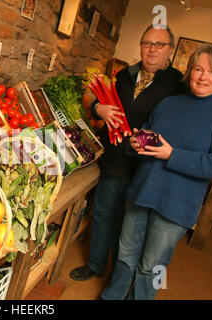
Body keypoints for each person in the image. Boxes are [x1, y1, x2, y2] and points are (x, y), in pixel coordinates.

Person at [101, 44, 212, 300]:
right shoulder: (168, 104)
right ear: (189, 71)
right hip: (142, 192)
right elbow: (147, 139)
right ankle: (112, 297)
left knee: (151, 266)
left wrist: (172, 155)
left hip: (176, 204)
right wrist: (135, 144)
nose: (203, 76)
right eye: (198, 69)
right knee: (125, 253)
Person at [70, 25, 186, 281]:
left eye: (160, 44)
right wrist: (98, 108)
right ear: (141, 46)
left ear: (169, 50)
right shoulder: (124, 75)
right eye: (147, 43)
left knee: (131, 227)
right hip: (114, 161)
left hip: (147, 169)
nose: (152, 49)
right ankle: (96, 264)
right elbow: (102, 101)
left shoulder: (178, 84)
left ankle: (119, 278)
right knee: (102, 215)